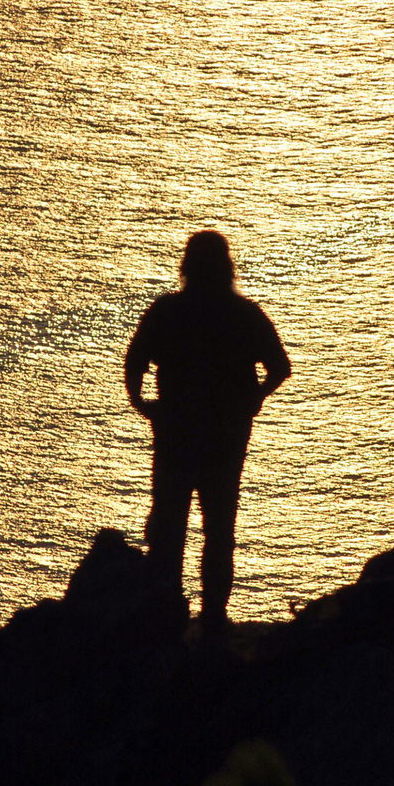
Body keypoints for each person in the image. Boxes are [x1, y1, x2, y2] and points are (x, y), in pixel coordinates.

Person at [125, 230, 291, 638]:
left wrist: (144, 406)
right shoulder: (244, 314)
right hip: (226, 438)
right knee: (219, 529)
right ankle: (214, 620)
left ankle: (165, 619)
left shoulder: (167, 311)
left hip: (175, 436)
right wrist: (254, 397)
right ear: (227, 268)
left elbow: (134, 362)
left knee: (169, 526)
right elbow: (280, 368)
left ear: (186, 267)